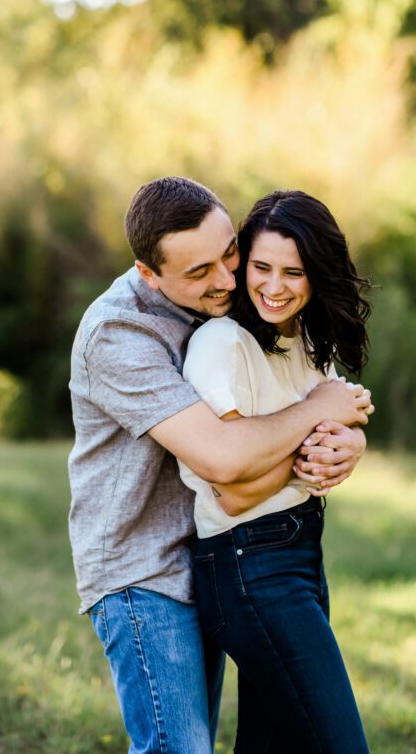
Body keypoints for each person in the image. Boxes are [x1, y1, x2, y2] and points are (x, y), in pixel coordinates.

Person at [68, 177, 373, 754]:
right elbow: (224, 459)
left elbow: (294, 393)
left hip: (216, 548)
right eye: (200, 272)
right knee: (177, 747)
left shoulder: (229, 300)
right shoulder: (118, 333)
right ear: (149, 273)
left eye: (229, 252)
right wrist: (315, 417)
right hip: (144, 567)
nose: (229, 280)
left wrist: (344, 439)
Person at [179, 189, 372, 753]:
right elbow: (235, 492)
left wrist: (349, 443)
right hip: (247, 564)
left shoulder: (306, 340)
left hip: (301, 553)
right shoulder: (222, 344)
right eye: (261, 267)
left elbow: (331, 421)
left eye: (294, 271)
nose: (274, 285)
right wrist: (309, 446)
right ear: (242, 265)